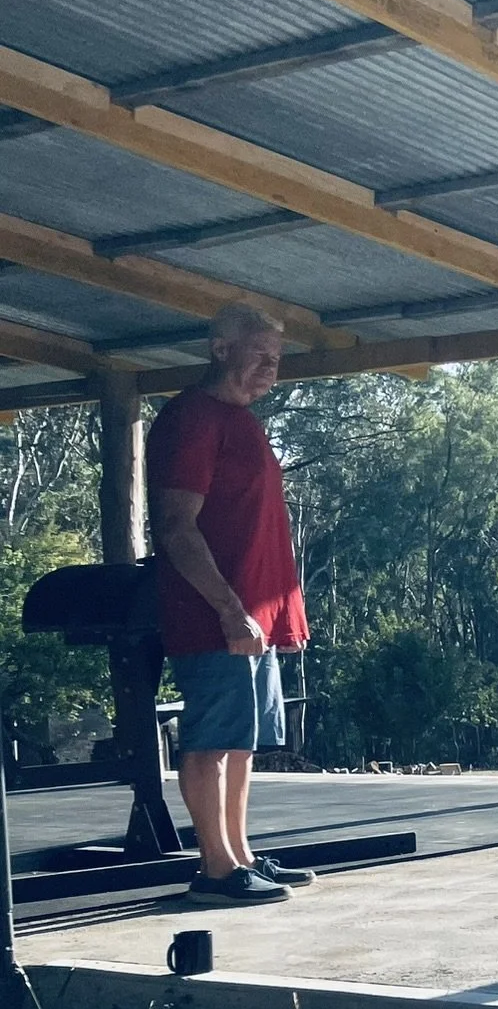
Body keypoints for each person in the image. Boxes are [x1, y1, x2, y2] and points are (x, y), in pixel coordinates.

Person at [149, 303, 315, 905]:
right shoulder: (193, 418)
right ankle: (215, 870)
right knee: (213, 739)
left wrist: (277, 613)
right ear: (221, 349)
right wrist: (228, 608)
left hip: (255, 615)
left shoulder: (242, 422)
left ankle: (240, 856)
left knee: (242, 741)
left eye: (277, 357)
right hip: (215, 613)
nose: (271, 368)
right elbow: (177, 526)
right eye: (259, 354)